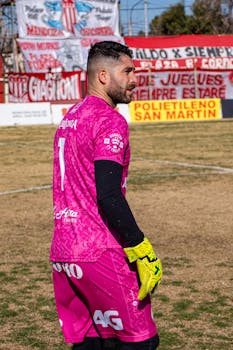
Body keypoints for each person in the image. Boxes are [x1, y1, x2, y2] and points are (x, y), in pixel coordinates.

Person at [50, 41, 162, 350]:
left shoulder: (69, 118)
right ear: (102, 76)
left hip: (63, 253)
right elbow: (109, 194)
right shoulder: (110, 120)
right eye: (127, 71)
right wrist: (141, 247)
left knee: (91, 345)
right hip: (100, 251)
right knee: (141, 342)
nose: (134, 79)